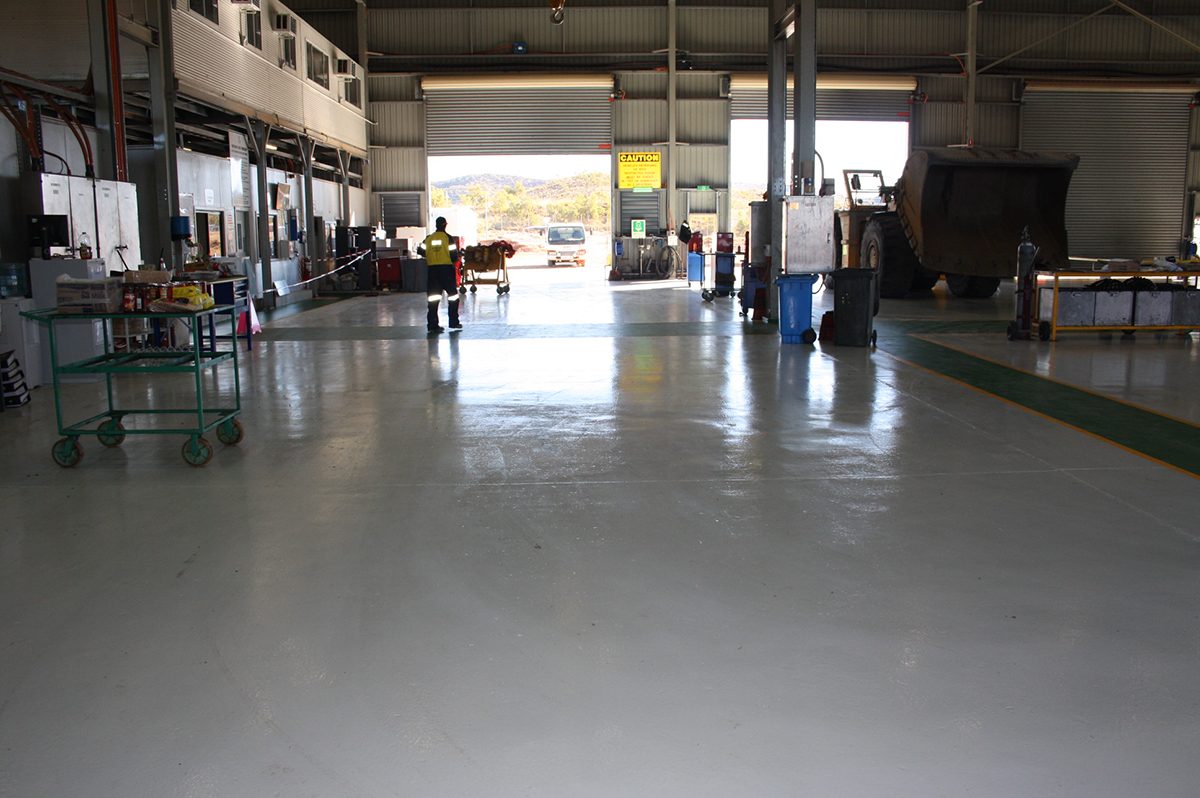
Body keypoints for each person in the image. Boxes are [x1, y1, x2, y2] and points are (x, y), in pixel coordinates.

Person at [417, 217, 462, 334]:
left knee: (433, 299)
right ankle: (453, 322)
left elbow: (420, 251)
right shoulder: (448, 238)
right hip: (446, 270)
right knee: (452, 297)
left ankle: (433, 325)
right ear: (445, 225)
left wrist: (432, 255)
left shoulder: (429, 238)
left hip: (432, 271)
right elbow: (454, 257)